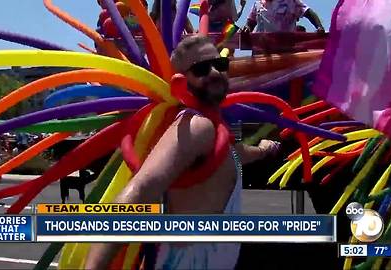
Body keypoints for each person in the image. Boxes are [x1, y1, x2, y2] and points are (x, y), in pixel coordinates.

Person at [85, 35, 281, 270]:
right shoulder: (196, 126)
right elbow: (141, 190)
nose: (214, 72)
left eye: (219, 64)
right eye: (200, 69)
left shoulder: (216, 131)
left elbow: (236, 154)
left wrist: (263, 150)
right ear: (181, 83)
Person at [242, 0, 324, 33]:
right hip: (261, 52)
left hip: (285, 52)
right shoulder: (257, 4)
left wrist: (319, 27)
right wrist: (247, 28)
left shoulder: (290, 2)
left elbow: (308, 12)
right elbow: (251, 22)